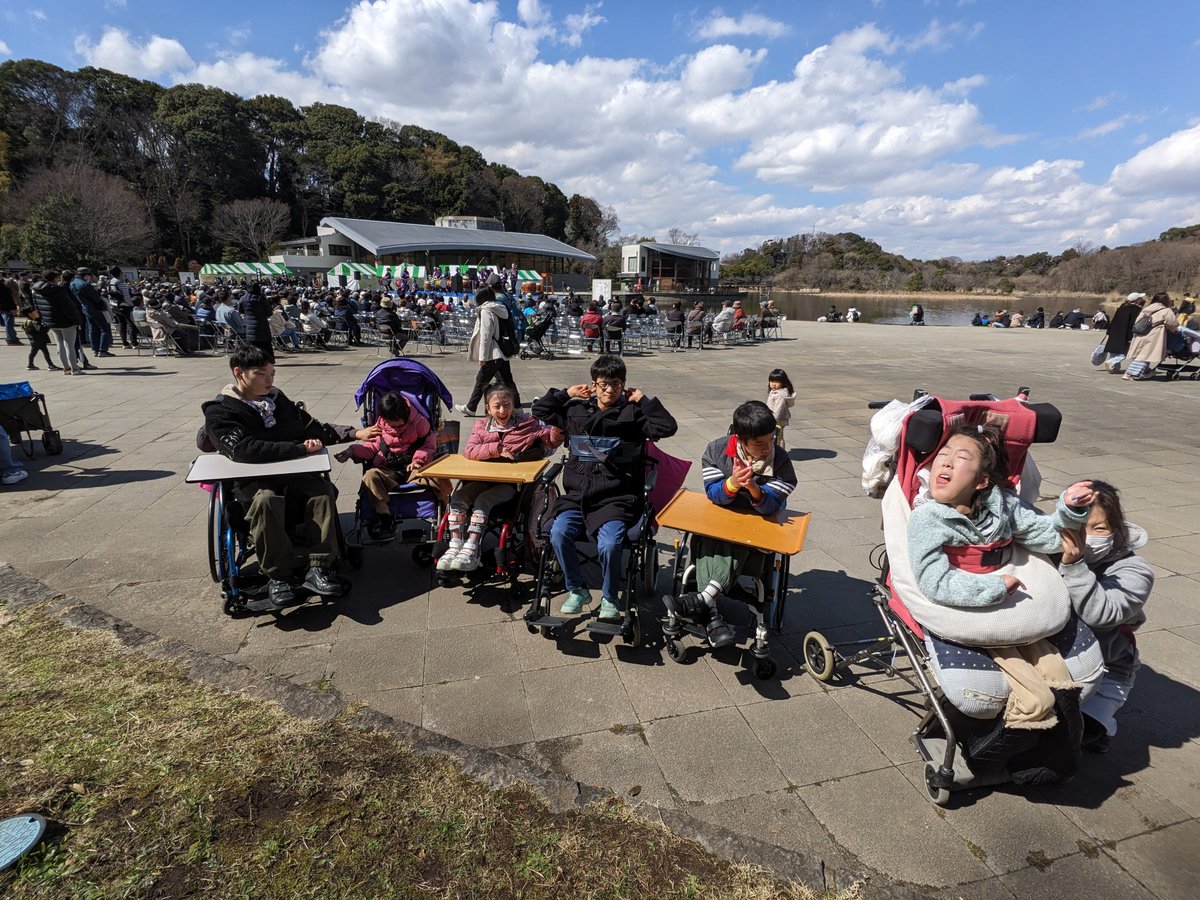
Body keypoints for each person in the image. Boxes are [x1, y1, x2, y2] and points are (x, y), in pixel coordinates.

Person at [908, 424, 1096, 728]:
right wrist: (993, 588)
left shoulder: (1003, 505)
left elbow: (1046, 537)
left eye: (961, 457)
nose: (945, 462)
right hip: (967, 598)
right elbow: (935, 581)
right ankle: (1019, 734)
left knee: (1058, 675)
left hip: (1009, 585)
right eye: (942, 455)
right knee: (1036, 696)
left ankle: (1060, 732)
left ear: (982, 481)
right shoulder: (927, 518)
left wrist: (1070, 511)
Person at [203, 345, 377, 610]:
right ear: (238, 373)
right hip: (253, 482)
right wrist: (296, 448)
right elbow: (242, 450)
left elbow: (312, 428)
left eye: (272, 373)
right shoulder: (221, 411)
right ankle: (278, 575)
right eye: (262, 374)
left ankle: (319, 568)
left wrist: (353, 433)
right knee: (266, 501)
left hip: (291, 475)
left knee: (320, 491)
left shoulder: (277, 400)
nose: (269, 380)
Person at [532, 355, 678, 620]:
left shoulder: (632, 414)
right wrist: (565, 393)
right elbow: (540, 411)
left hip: (617, 499)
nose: (609, 390)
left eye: (616, 384)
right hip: (577, 496)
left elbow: (667, 427)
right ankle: (577, 589)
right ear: (593, 384)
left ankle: (610, 598)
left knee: (610, 544)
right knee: (558, 533)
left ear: (624, 385)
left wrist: (643, 401)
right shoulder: (576, 411)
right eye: (603, 384)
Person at [666, 401, 797, 647]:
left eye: (772, 438)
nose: (768, 447)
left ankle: (705, 602)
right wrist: (733, 483)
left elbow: (774, 503)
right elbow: (713, 493)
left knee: (738, 539)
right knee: (703, 537)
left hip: (757, 526)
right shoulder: (716, 451)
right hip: (719, 519)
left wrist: (755, 489)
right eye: (759, 443)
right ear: (740, 439)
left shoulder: (780, 459)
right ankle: (711, 611)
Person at [1058, 480, 1153, 752]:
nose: (1086, 537)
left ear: (1116, 530)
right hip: (1054, 659)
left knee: (1076, 735)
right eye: (1079, 526)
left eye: (1098, 528)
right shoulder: (1049, 547)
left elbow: (1100, 614)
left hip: (1108, 668)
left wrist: (1074, 565)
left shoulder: (1135, 573)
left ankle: (1102, 721)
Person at [439, 384, 563, 573]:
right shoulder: (481, 426)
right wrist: (496, 449)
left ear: (513, 405)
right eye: (497, 406)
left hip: (511, 485)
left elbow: (551, 440)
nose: (503, 410)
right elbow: (469, 451)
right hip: (482, 480)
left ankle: (472, 549)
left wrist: (557, 423)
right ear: (488, 408)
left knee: (482, 501)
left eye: (507, 404)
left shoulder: (527, 423)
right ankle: (455, 545)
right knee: (458, 498)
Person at [335, 390, 434, 542]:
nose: (391, 425)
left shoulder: (420, 423)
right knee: (370, 476)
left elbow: (428, 445)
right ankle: (385, 517)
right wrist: (351, 451)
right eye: (387, 421)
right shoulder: (380, 425)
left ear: (404, 415)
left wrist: (418, 461)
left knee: (439, 478)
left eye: (394, 422)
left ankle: (452, 516)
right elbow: (372, 448)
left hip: (415, 468)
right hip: (388, 468)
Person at [456, 283, 521, 416]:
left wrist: (482, 357)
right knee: (507, 380)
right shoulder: (500, 307)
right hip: (502, 350)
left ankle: (471, 408)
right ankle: (518, 408)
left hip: (493, 352)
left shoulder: (486, 310)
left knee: (481, 380)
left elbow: (486, 335)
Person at [31, 270, 84, 374]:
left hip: (50, 321)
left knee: (59, 344)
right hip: (66, 321)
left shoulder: (36, 290)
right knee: (69, 345)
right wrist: (77, 320)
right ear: (54, 278)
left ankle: (66, 368)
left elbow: (36, 307)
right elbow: (68, 307)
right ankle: (75, 368)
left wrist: (42, 319)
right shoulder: (58, 290)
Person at [1123, 292, 1182, 381]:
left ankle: (1145, 372)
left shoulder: (1146, 308)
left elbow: (1138, 321)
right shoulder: (1166, 310)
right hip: (1153, 335)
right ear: (1164, 300)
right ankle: (1131, 374)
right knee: (1144, 355)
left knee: (1141, 354)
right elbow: (1174, 324)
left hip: (1140, 333)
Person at [1101, 293, 1143, 373]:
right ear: (1136, 300)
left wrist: (1109, 331)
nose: (1141, 300)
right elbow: (1133, 323)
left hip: (1115, 331)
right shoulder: (1136, 309)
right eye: (1140, 298)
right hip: (1126, 333)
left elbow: (1114, 319)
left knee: (1114, 349)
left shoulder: (1122, 306)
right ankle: (1113, 362)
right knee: (1127, 351)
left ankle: (1114, 368)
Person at [765, 368, 795, 448]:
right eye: (772, 381)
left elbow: (778, 410)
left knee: (778, 437)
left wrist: (772, 421)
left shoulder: (780, 395)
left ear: (783, 382)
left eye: (777, 382)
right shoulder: (774, 391)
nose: (774, 384)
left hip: (778, 420)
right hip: (773, 418)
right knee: (776, 436)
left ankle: (780, 452)